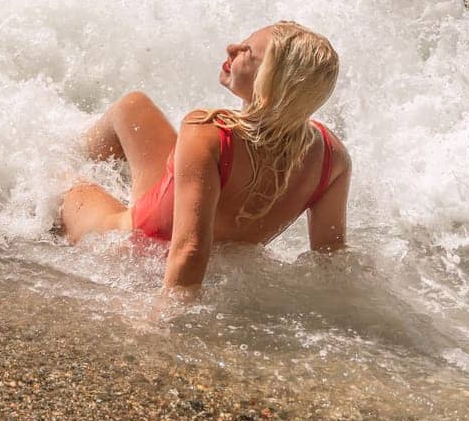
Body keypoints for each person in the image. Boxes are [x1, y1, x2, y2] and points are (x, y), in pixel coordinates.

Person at [59, 21, 349, 298]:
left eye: (247, 52)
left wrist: (162, 320)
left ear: (269, 83)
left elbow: (190, 250)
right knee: (132, 106)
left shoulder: (208, 130)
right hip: (171, 212)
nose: (232, 48)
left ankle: (70, 163)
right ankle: (90, 157)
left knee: (55, 173)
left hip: (135, 244)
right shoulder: (331, 157)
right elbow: (329, 261)